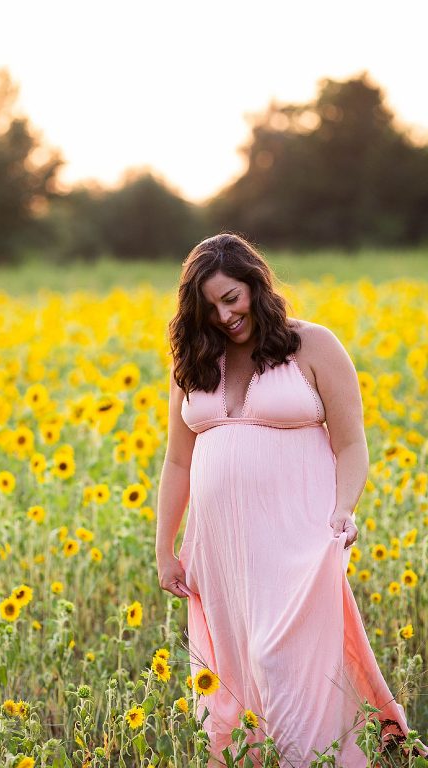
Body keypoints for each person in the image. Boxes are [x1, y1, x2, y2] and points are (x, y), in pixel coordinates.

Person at [155, 233, 409, 764]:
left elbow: (351, 443)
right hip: (221, 552)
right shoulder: (194, 362)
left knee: (281, 663)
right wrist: (164, 547)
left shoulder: (312, 345)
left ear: (255, 285)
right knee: (239, 677)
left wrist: (343, 510)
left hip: (296, 545)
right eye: (209, 307)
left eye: (231, 298)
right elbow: (177, 460)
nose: (224, 316)